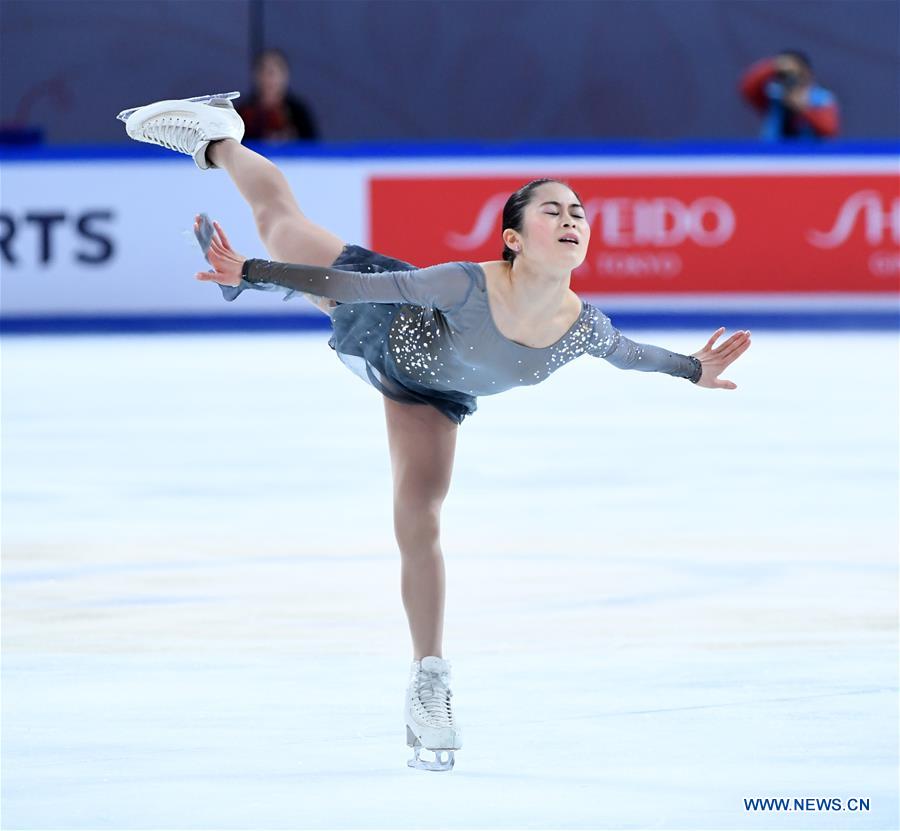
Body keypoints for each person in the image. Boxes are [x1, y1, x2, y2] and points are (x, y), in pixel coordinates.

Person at [119, 94, 752, 772]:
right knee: (279, 222)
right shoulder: (464, 284)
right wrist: (254, 273)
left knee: (418, 520)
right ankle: (220, 138)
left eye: (578, 212)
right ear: (513, 237)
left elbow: (630, 354)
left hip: (433, 394)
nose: (571, 219)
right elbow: (361, 290)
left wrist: (693, 368)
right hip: (380, 314)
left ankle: (428, 682)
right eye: (553, 210)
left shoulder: (582, 325)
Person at [739, 49, 840, 141]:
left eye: (796, 74)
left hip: (808, 157)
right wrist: (775, 65)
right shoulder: (775, 95)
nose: (791, 79)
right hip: (773, 155)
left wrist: (803, 109)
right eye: (784, 75)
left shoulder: (821, 98)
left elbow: (829, 130)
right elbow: (747, 88)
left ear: (807, 74)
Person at [237, 48, 318, 141]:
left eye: (272, 73)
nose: (267, 79)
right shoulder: (243, 112)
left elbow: (312, 148)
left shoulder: (298, 113)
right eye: (262, 72)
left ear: (285, 75)